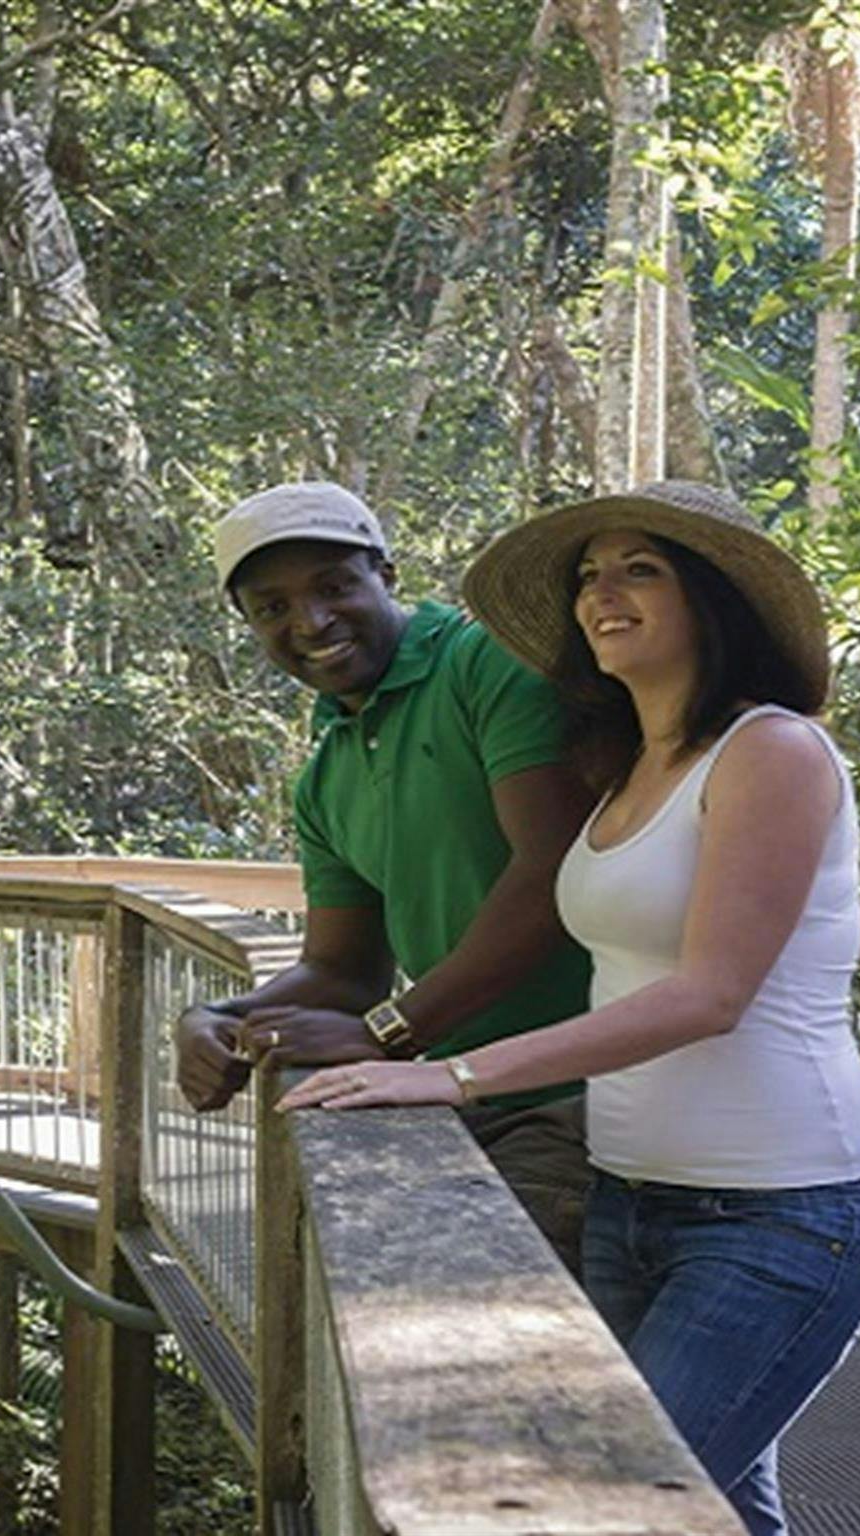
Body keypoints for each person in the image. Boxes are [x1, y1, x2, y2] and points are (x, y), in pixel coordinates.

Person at [282, 481, 860, 1536]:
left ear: (710, 599)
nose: (602, 593)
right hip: (625, 1196)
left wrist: (447, 1068)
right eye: (587, 576)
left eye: (639, 570)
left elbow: (708, 994)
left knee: (608, 1508)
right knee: (714, 1506)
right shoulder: (625, 774)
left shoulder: (771, 752)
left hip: (780, 1214)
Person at [178, 481, 597, 1271]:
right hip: (455, 1095)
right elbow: (342, 971)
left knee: (485, 1332)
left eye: (335, 586)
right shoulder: (326, 773)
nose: (310, 621)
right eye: (272, 608)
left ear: (387, 574)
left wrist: (392, 1031)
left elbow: (555, 871)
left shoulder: (486, 664)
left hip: (577, 1094)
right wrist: (217, 1018)